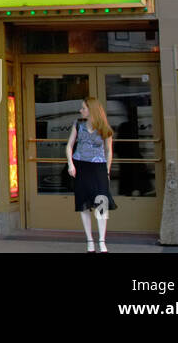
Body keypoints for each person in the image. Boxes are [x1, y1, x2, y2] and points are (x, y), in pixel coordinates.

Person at [66, 97, 116, 252]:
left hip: (99, 167)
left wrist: (107, 170)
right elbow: (69, 146)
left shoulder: (104, 128)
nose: (81, 111)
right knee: (84, 204)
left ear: (91, 109)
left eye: (83, 108)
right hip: (81, 167)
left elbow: (109, 151)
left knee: (102, 203)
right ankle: (89, 240)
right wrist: (70, 164)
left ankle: (102, 240)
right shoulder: (78, 124)